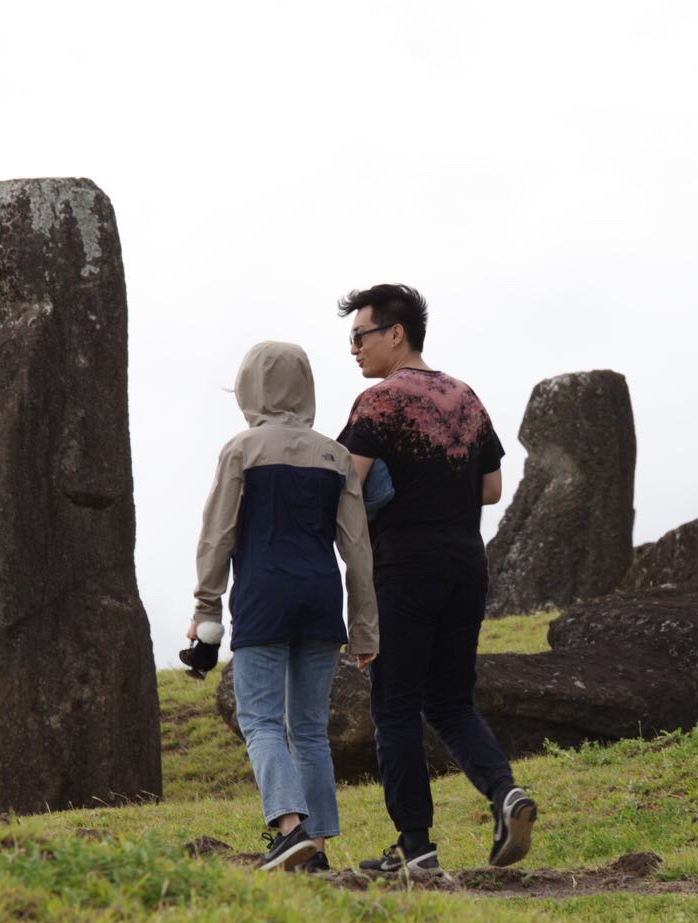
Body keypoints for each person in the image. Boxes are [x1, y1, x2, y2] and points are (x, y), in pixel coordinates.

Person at [335, 283, 537, 872]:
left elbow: (347, 479)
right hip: (465, 565)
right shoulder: (464, 397)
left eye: (359, 336)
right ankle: (506, 793)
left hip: (403, 568)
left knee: (394, 706)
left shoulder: (380, 402)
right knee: (450, 701)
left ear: (395, 333)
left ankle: (415, 848)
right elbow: (492, 489)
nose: (353, 350)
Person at [189, 340, 378, 872]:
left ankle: (290, 829)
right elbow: (357, 549)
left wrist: (207, 609)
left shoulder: (241, 450)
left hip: (264, 597)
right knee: (310, 728)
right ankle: (316, 849)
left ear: (250, 386)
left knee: (262, 721)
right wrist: (365, 629)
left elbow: (217, 536)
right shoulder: (335, 455)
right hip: (321, 599)